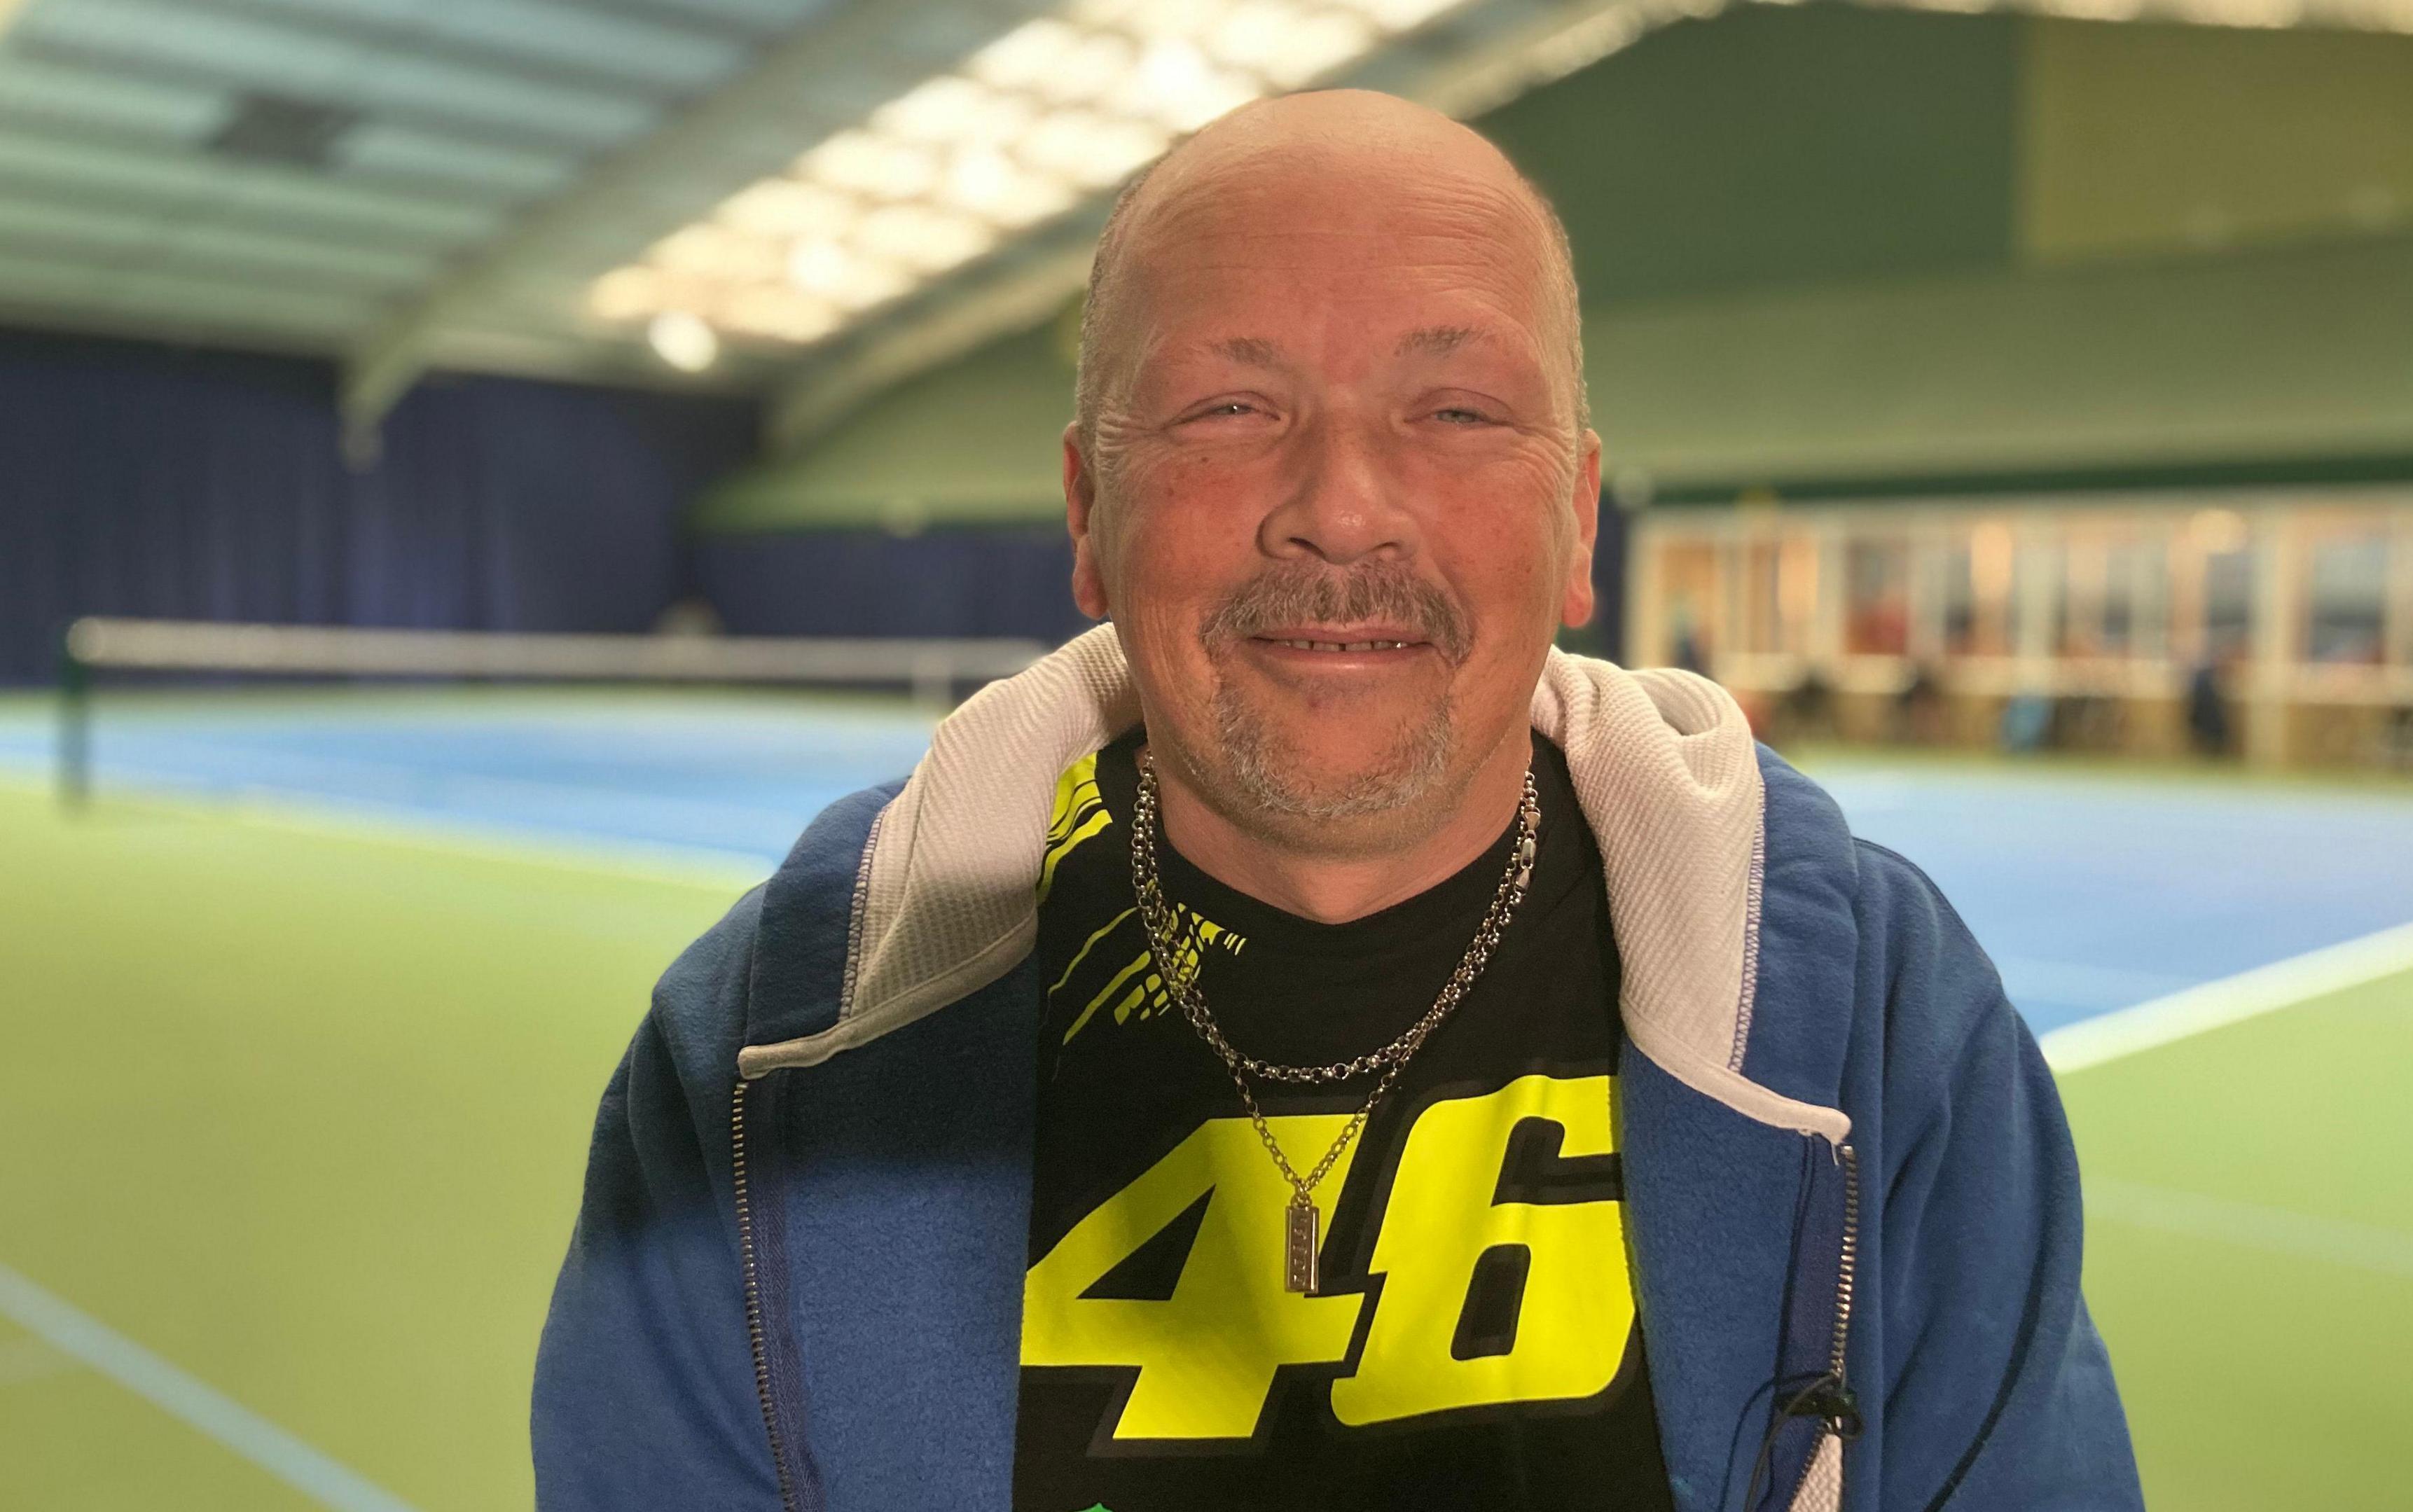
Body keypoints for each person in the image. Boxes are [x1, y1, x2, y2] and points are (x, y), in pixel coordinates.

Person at [532, 92, 2139, 1512]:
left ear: (1576, 520)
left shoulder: (1879, 1022)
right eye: (1232, 408)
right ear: (1090, 509)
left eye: (1453, 410)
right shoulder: (754, 1066)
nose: (1338, 508)